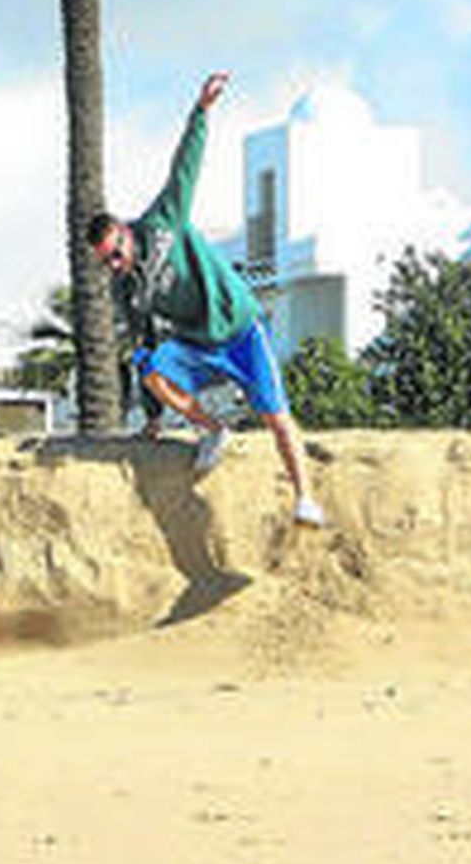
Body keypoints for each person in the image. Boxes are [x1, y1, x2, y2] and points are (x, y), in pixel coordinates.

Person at [88, 71, 326, 529]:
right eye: (106, 262)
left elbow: (185, 167)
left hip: (240, 330)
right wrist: (154, 417)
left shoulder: (162, 224)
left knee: (276, 417)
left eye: (116, 253)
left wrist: (201, 111)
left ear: (124, 232)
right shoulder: (127, 289)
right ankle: (214, 430)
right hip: (198, 344)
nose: (114, 264)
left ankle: (305, 499)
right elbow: (140, 340)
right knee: (149, 366)